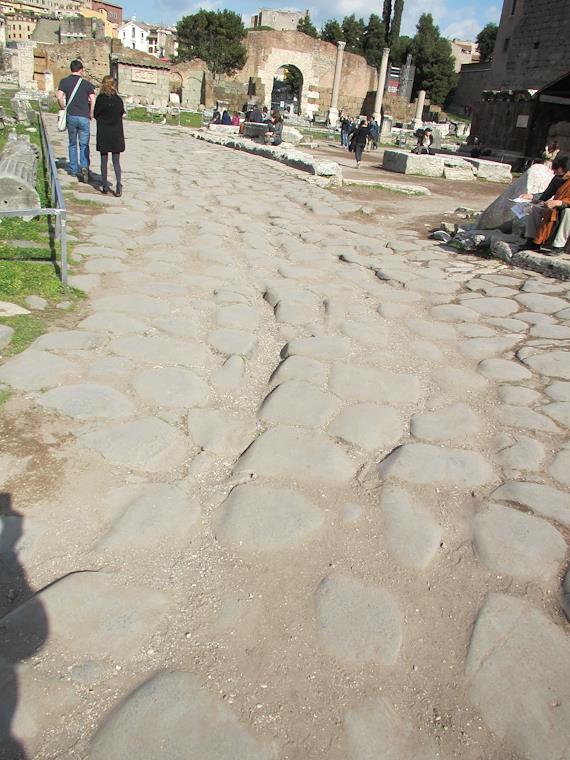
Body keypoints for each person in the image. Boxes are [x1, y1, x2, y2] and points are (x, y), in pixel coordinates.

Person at [520, 156, 570, 255]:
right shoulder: (557, 179)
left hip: (565, 208)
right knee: (534, 207)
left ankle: (558, 245)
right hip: (556, 207)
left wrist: (561, 203)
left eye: (561, 175)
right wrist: (532, 197)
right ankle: (532, 240)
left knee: (568, 212)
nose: (558, 177)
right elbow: (546, 195)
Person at [56, 59, 95, 183]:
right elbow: (93, 99)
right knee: (84, 144)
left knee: (72, 143)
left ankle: (73, 170)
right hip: (84, 116)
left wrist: (63, 107)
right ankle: (84, 167)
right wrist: (91, 113)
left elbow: (59, 97)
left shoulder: (64, 82)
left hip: (71, 115)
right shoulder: (87, 84)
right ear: (81, 70)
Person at [94, 75, 125, 197]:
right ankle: (118, 185)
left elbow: (96, 114)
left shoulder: (101, 99)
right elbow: (121, 113)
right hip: (116, 133)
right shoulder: (118, 100)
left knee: (104, 160)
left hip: (104, 132)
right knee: (116, 161)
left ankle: (104, 185)